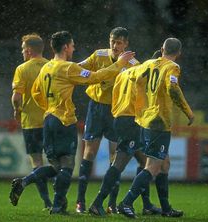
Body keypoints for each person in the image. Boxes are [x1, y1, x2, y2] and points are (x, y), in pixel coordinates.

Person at [9, 31, 135, 214]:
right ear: (66, 47)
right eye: (73, 45)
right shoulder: (68, 68)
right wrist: (121, 64)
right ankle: (59, 206)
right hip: (64, 121)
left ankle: (25, 181)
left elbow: (36, 93)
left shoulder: (47, 67)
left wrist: (49, 108)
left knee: (55, 167)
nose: (74, 48)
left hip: (49, 119)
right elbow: (96, 77)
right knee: (67, 166)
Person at [117, 38, 195, 218]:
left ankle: (166, 209)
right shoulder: (173, 67)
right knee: (153, 166)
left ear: (162, 49)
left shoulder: (149, 63)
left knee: (164, 164)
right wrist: (188, 112)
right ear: (179, 53)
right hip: (159, 121)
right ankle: (126, 203)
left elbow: (131, 76)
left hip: (146, 120)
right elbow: (173, 89)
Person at [88, 50, 164, 216]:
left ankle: (146, 204)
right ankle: (98, 203)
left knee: (145, 161)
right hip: (132, 120)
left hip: (120, 118)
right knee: (120, 163)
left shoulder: (125, 72)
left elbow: (114, 96)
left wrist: (118, 114)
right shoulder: (147, 75)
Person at [76, 27, 139, 214]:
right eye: (112, 41)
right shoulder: (99, 55)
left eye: (119, 42)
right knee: (89, 152)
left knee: (115, 155)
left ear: (126, 44)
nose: (115, 45)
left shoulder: (134, 64)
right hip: (95, 107)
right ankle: (80, 201)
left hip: (116, 111)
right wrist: (88, 76)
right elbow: (79, 68)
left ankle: (111, 203)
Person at [11, 33, 51, 210]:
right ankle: (59, 201)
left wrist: (16, 109)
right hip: (51, 120)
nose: (22, 53)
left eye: (22, 50)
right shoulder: (52, 66)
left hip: (31, 122)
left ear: (28, 50)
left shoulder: (22, 69)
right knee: (58, 162)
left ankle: (47, 203)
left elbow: (16, 96)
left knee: (37, 162)